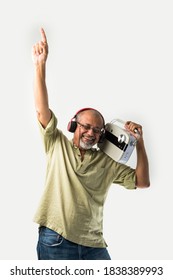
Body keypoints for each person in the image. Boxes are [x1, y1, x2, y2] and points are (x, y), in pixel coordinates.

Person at [32, 28, 150, 260]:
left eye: (97, 130)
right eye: (86, 126)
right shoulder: (56, 143)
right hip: (56, 239)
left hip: (94, 244)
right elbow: (41, 108)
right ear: (73, 125)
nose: (91, 133)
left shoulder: (107, 162)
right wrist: (40, 65)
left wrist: (140, 143)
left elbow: (143, 182)